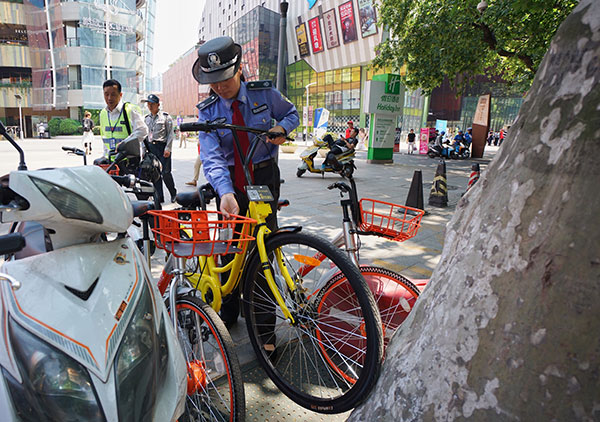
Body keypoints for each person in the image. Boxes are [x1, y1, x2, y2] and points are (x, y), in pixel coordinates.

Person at [192, 36, 300, 328]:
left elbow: (291, 114)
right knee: (230, 245)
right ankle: (227, 311)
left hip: (263, 177)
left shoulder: (264, 94)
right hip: (230, 182)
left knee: (263, 249)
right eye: (212, 81)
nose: (218, 86)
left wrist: (281, 127)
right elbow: (211, 157)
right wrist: (225, 193)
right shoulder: (208, 109)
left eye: (224, 79)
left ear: (239, 69)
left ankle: (265, 329)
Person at [98, 79, 146, 164]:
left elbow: (142, 130)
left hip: (128, 161)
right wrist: (104, 155)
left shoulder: (130, 110)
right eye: (106, 94)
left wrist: (124, 144)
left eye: (113, 94)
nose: (109, 98)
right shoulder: (103, 113)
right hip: (110, 161)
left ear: (120, 95)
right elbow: (105, 137)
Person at [143, 94, 177, 203]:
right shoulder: (146, 119)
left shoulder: (166, 117)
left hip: (162, 148)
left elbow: (170, 134)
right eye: (148, 104)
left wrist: (168, 148)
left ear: (158, 105)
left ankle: (173, 193)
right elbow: (144, 135)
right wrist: (144, 150)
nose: (150, 106)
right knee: (154, 174)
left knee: (166, 173)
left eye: (152, 104)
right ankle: (159, 197)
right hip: (151, 148)